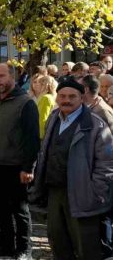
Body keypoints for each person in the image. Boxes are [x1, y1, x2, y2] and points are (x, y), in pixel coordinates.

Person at [29, 80, 113, 260]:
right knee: (58, 242)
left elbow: (107, 164)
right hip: (54, 191)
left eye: (72, 96)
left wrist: (94, 193)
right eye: (62, 96)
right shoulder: (53, 117)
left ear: (82, 98)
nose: (66, 100)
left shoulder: (95, 125)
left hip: (83, 195)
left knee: (86, 247)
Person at [0, 63, 40, 259]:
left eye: (1, 76)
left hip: (16, 167)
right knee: (0, 209)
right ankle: (5, 243)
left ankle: (24, 248)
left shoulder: (26, 103)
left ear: (12, 77)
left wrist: (28, 167)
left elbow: (32, 139)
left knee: (20, 211)